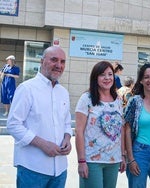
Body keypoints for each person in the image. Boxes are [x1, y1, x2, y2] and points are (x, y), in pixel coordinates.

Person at [7, 46, 73, 188]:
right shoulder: (26, 89)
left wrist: (67, 138)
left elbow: (67, 123)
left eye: (62, 61)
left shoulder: (63, 92)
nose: (59, 65)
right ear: (42, 61)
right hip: (32, 168)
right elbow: (13, 125)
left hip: (60, 169)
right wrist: (43, 144)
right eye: (54, 60)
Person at [75, 60, 126, 188]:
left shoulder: (118, 100)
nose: (107, 78)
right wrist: (81, 161)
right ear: (95, 77)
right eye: (102, 74)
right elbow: (79, 131)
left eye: (110, 74)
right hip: (91, 160)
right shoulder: (87, 98)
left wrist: (122, 155)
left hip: (113, 160)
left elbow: (121, 130)